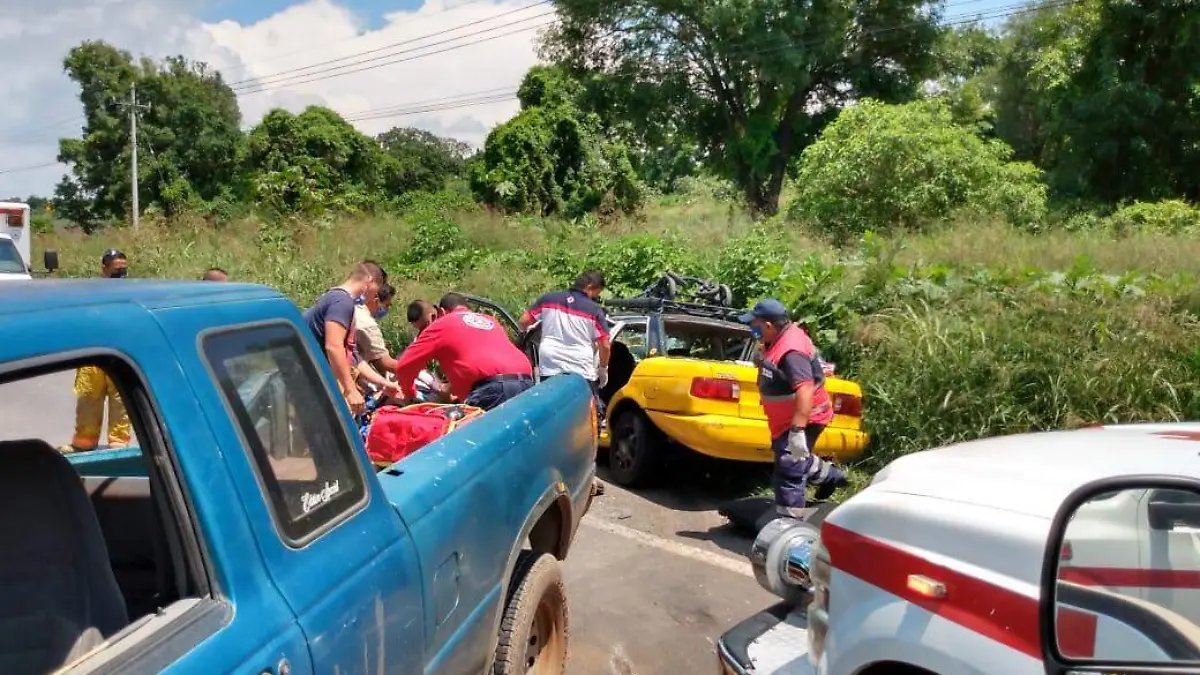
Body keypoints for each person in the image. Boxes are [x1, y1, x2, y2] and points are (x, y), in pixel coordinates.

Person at [739, 299, 848, 517]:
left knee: (789, 467)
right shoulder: (777, 338)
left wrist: (797, 431)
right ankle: (832, 476)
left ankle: (789, 525)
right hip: (784, 421)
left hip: (805, 418)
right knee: (794, 459)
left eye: (756, 325)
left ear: (769, 325)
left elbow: (805, 390)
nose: (752, 329)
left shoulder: (792, 351)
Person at [394, 293, 534, 411]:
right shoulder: (489, 320)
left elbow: (404, 366)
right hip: (526, 381)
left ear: (441, 312)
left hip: (493, 390)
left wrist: (410, 394)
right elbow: (478, 361)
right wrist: (451, 389)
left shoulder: (441, 323)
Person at [63, 249, 132, 452]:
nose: (120, 272)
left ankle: (118, 445)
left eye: (123, 268)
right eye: (116, 268)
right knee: (88, 400)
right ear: (104, 268)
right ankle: (84, 443)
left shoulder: (132, 291)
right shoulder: (91, 291)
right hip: (92, 354)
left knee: (120, 402)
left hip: (119, 352)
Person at [519, 270, 611, 419]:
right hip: (581, 365)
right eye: (596, 293)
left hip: (550, 362)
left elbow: (524, 321)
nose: (596, 297)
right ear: (590, 287)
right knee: (584, 414)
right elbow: (605, 345)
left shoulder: (548, 298)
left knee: (551, 408)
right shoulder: (594, 310)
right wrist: (603, 369)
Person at [303, 261, 385, 416]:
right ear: (369, 281)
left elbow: (353, 357)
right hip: (311, 383)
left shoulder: (335, 298)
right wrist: (350, 390)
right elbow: (333, 347)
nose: (375, 296)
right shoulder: (341, 302)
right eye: (376, 290)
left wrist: (384, 383)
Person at [352, 282, 403, 400]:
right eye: (387, 305)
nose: (387, 309)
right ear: (376, 301)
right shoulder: (368, 325)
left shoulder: (355, 309)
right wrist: (415, 368)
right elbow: (385, 364)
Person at [405, 300, 450, 403]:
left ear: (433, 317)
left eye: (425, 326)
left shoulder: (449, 327)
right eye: (420, 329)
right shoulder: (420, 338)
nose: (423, 332)